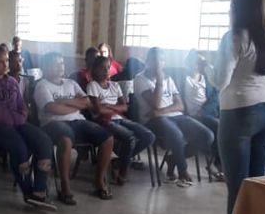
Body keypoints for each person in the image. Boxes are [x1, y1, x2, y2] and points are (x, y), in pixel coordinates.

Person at [197, 0, 265, 214]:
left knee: (237, 185)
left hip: (239, 114)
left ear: (238, 8)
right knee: (256, 182)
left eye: (231, 5)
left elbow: (220, 81)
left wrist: (204, 66)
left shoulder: (234, 37)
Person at [0, 44, 56, 210]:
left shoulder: (12, 82)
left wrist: (22, 114)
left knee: (44, 141)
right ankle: (28, 193)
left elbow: (22, 106)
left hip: (16, 123)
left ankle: (39, 191)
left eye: (7, 61)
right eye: (0, 62)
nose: (5, 65)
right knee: (19, 146)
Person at [34, 52, 114, 204]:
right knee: (66, 139)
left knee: (107, 138)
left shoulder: (71, 83)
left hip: (77, 121)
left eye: (62, 63)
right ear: (46, 66)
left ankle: (98, 180)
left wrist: (64, 102)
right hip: (52, 124)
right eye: (56, 64)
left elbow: (87, 102)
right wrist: (75, 104)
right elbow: (52, 109)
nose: (60, 66)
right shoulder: (42, 85)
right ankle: (65, 186)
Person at [134, 47, 214, 187]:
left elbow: (180, 105)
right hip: (153, 120)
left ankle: (173, 159)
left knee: (207, 136)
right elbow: (156, 104)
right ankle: (182, 170)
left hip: (174, 116)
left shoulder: (169, 79)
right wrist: (159, 81)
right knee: (176, 134)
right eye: (155, 60)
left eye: (162, 60)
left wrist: (161, 111)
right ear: (148, 61)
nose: (159, 63)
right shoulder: (140, 79)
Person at [86, 56, 155, 185]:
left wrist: (108, 106)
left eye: (108, 68)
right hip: (103, 121)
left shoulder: (115, 85)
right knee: (130, 138)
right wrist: (115, 108)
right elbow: (99, 110)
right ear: (95, 69)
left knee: (149, 135)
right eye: (102, 68)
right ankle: (123, 172)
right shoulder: (93, 86)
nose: (106, 71)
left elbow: (125, 107)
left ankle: (120, 160)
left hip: (119, 118)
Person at [182, 50, 224, 182]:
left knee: (223, 128)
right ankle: (218, 165)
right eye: (198, 62)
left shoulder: (207, 78)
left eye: (203, 62)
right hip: (189, 115)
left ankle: (217, 163)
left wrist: (204, 110)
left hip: (207, 113)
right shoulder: (182, 79)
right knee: (218, 127)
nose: (201, 64)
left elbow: (216, 96)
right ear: (190, 63)